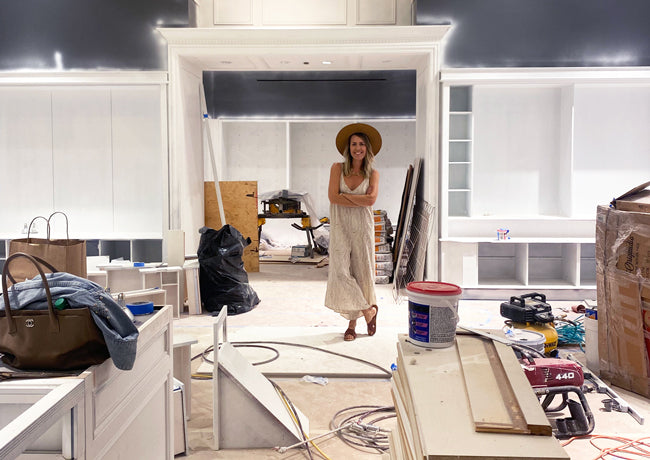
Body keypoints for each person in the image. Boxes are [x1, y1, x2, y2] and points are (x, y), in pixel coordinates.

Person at [324, 123, 381, 341]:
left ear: (368, 149)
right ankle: (369, 310)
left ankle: (351, 325)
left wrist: (345, 196)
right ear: (348, 147)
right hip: (341, 226)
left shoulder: (373, 173)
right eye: (354, 144)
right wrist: (359, 199)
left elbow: (371, 200)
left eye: (362, 144)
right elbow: (332, 197)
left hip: (362, 227)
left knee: (362, 273)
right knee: (340, 271)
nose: (358, 148)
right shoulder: (337, 168)